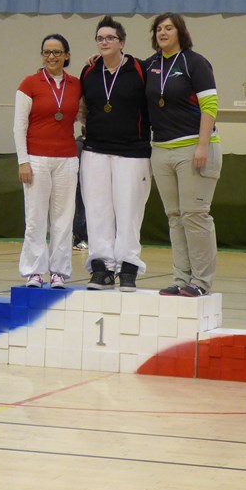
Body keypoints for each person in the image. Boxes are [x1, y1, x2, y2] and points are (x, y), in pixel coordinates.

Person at [144, 13, 221, 297]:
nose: (162, 32)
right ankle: (181, 278)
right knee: (174, 217)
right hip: (161, 149)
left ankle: (201, 282)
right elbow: (124, 71)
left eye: (168, 28)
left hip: (194, 148)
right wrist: (100, 58)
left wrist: (202, 145)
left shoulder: (194, 62)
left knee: (195, 215)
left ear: (180, 32)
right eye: (158, 29)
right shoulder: (150, 65)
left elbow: (210, 106)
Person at [79, 16, 152, 292]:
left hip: (133, 152)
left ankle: (128, 268)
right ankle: (102, 268)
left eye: (110, 37)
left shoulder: (140, 69)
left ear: (122, 42)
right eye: (100, 38)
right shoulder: (89, 71)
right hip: (95, 151)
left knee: (129, 212)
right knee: (97, 211)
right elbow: (83, 109)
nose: (104, 42)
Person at [14, 34, 82, 289]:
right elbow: (19, 127)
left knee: (64, 219)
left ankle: (59, 272)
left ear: (67, 55)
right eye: (47, 52)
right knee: (35, 217)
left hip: (67, 159)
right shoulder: (29, 84)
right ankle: (34, 272)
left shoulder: (76, 85)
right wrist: (23, 161)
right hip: (36, 160)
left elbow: (84, 115)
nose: (51, 57)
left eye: (57, 52)